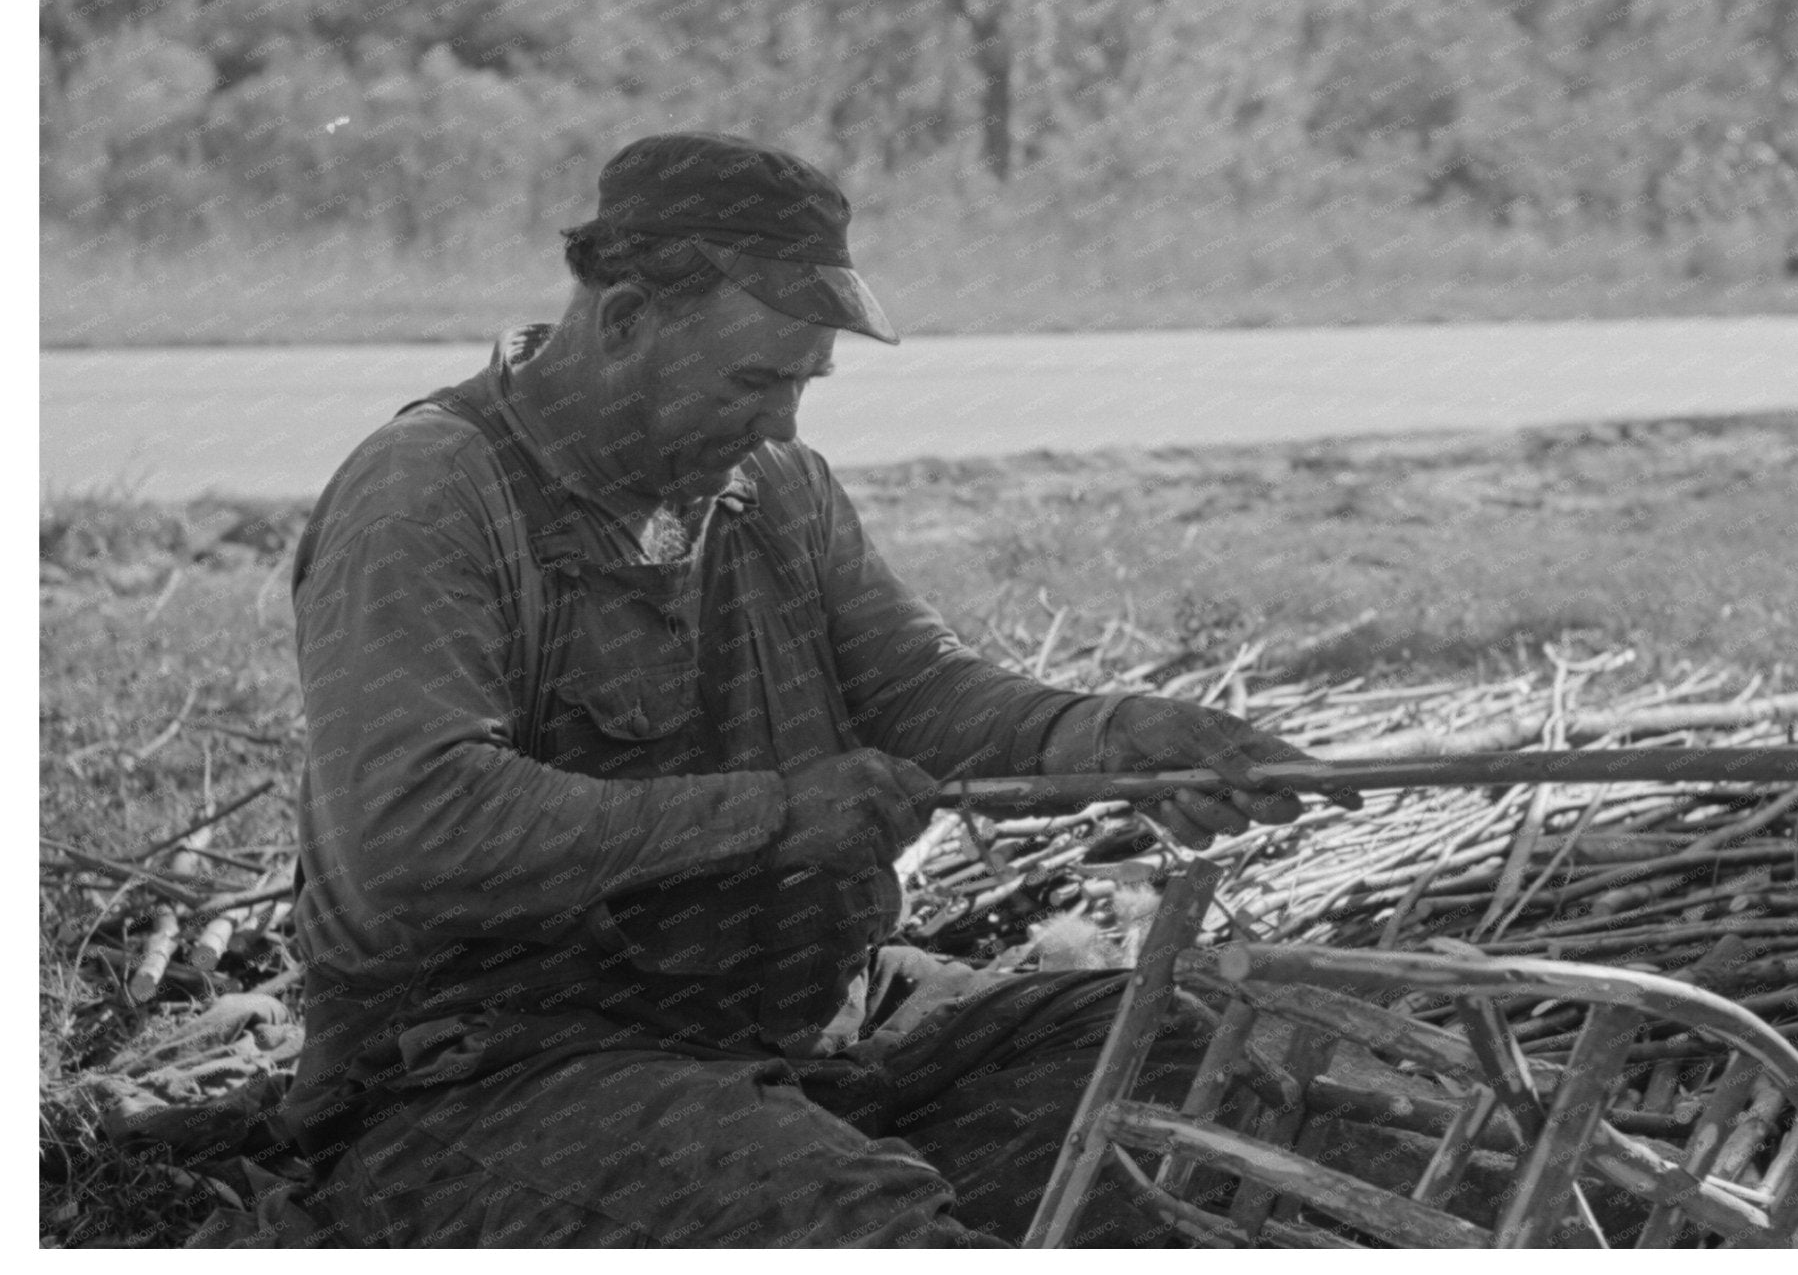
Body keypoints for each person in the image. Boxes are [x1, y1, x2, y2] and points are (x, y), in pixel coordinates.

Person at [278, 132, 1330, 1247]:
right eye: (754, 379)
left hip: (789, 1055)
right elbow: (415, 827)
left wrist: (1108, 735)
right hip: (491, 1080)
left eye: (801, 382)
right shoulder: (430, 491)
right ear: (624, 318)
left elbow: (918, 691)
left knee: (1208, 1060)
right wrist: (776, 816)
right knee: (862, 1229)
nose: (782, 421)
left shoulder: (772, 484)